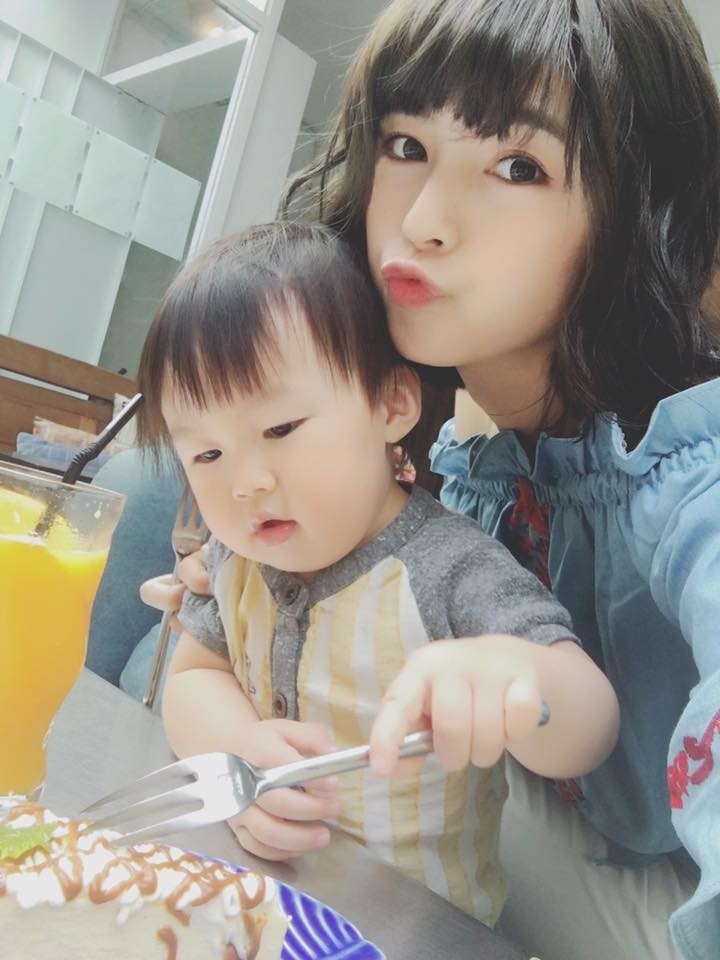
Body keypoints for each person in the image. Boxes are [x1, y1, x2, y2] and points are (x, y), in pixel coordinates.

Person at [138, 1, 720, 958]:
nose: (421, 221)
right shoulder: (466, 459)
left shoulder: (693, 480)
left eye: (519, 166)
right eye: (405, 145)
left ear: (633, 213)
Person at [135, 220, 618, 928]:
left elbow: (591, 727)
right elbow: (194, 677)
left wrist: (518, 677)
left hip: (411, 929)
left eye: (279, 429)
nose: (245, 482)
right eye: (206, 455)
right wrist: (235, 749)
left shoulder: (448, 568)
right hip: (253, 903)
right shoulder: (238, 558)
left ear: (391, 405)